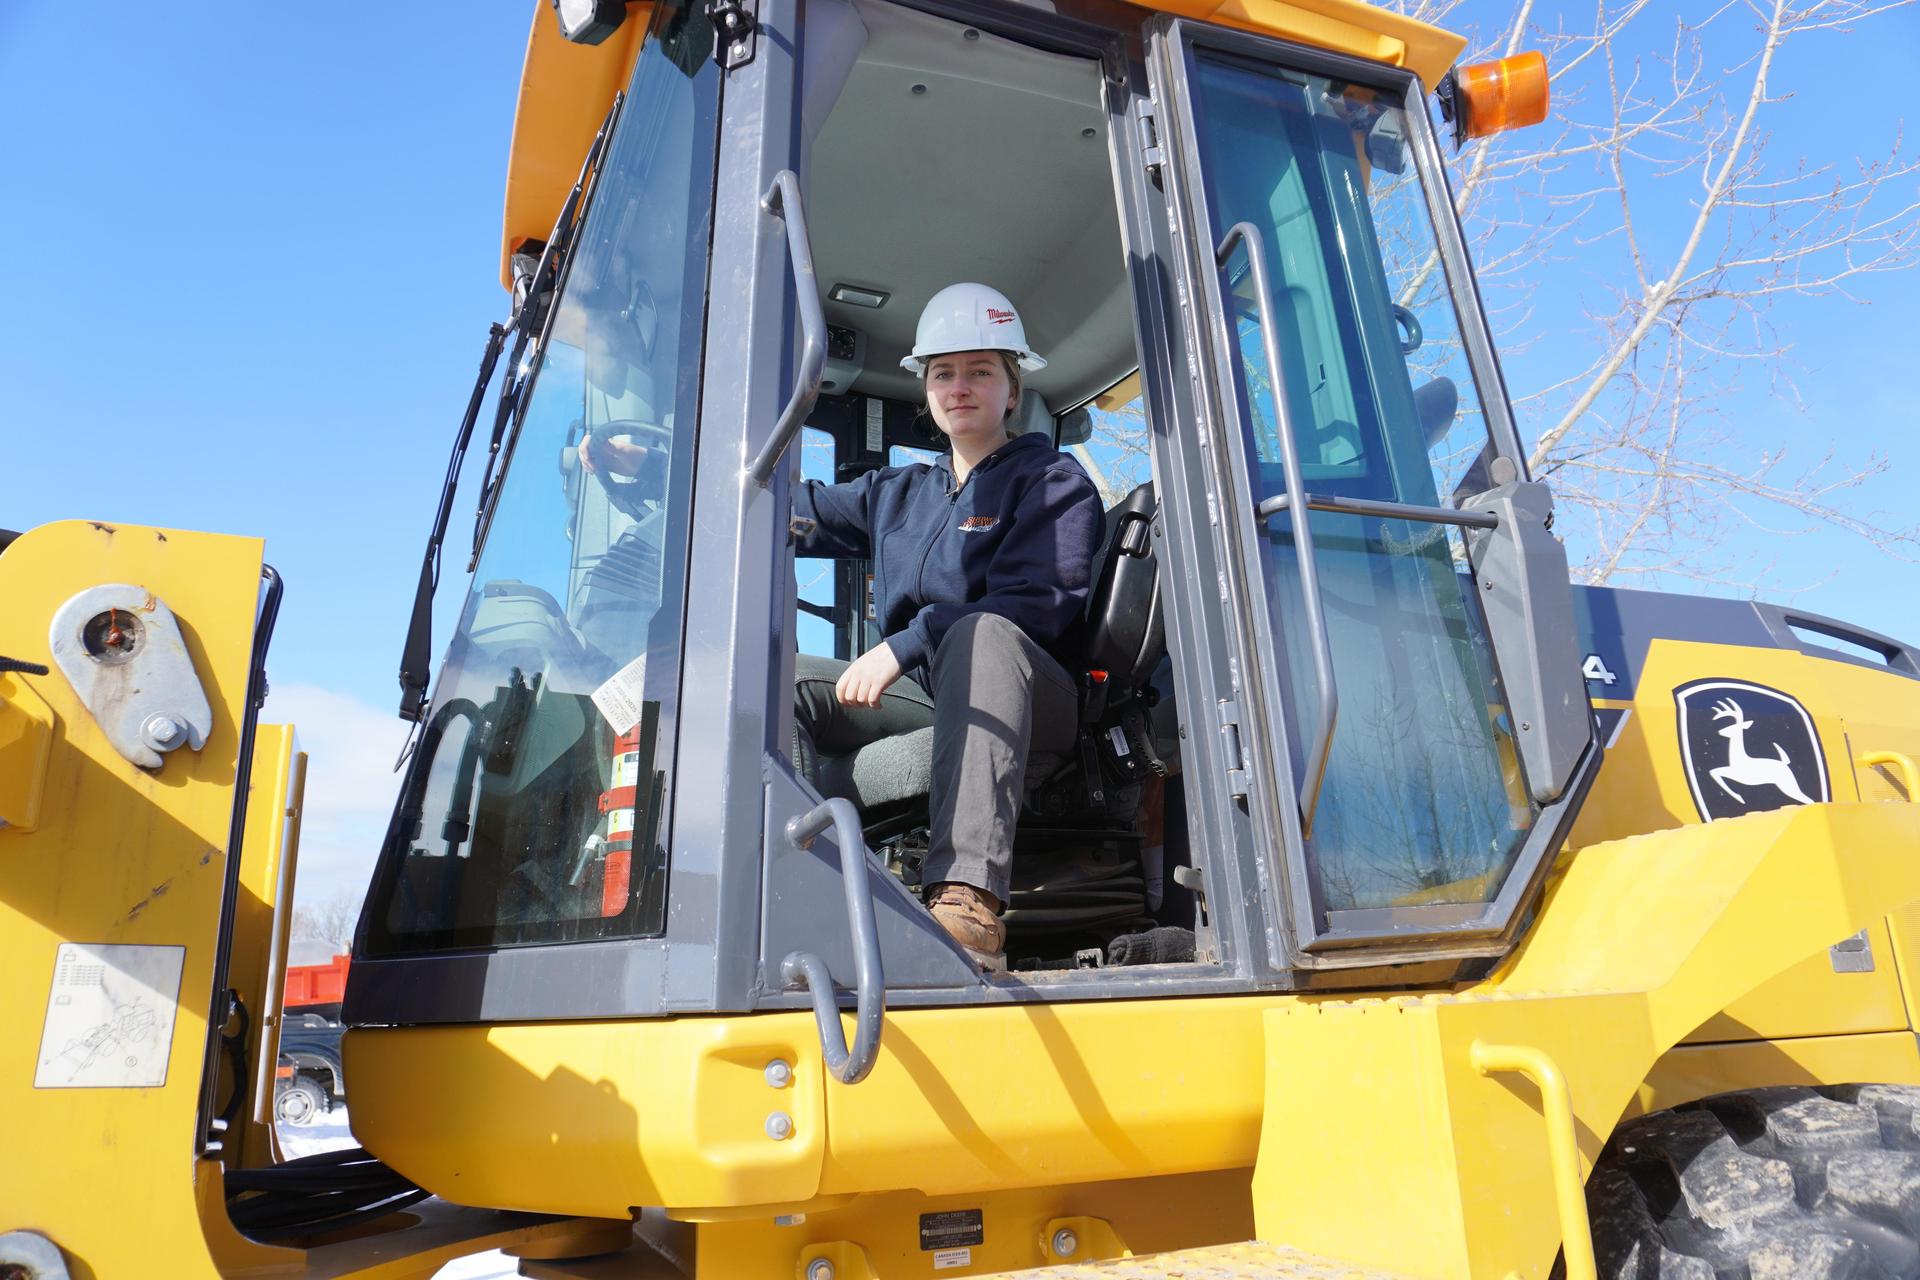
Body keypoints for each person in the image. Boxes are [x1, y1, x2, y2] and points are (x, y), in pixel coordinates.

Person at [790, 283, 1104, 970]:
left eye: (980, 371)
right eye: (943, 373)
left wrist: (907, 643)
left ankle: (968, 903)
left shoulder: (1052, 482)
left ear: (1012, 389)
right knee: (788, 683)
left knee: (981, 632)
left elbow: (1038, 604)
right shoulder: (898, 493)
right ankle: (788, 884)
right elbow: (793, 506)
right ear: (926, 390)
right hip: (936, 692)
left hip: (1029, 693)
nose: (959, 386)